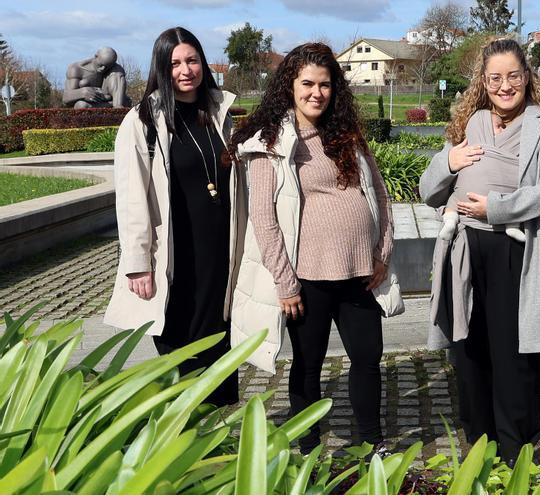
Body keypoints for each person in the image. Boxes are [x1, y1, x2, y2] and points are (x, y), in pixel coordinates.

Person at [227, 42, 400, 454]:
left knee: (367, 359)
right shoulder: (272, 142)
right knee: (308, 366)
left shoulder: (346, 134)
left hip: (360, 273)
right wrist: (286, 283)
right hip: (309, 279)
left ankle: (372, 444)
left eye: (325, 85)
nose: (316, 93)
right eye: (308, 84)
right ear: (290, 85)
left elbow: (378, 192)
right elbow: (264, 218)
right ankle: (307, 449)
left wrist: (382, 252)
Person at [419, 37, 540, 464]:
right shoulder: (470, 124)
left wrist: (497, 208)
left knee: (515, 354)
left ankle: (516, 449)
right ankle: (481, 441)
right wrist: (449, 163)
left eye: (513, 76)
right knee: (469, 349)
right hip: (465, 250)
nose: (504, 85)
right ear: (484, 81)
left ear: (527, 77)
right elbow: (427, 190)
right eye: (495, 78)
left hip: (517, 252)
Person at [104, 27, 245, 406]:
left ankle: (220, 433)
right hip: (174, 257)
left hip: (220, 255)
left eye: (192, 60)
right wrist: (137, 263)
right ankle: (185, 429)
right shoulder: (143, 121)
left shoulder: (219, 113)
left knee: (220, 342)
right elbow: (131, 197)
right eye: (175, 63)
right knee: (180, 345)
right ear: (162, 69)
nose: (186, 70)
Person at [63, 47, 131, 108]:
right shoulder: (76, 69)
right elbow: (66, 98)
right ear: (96, 56)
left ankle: (117, 107)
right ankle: (110, 105)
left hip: (108, 98)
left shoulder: (116, 69)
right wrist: (82, 93)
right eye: (101, 65)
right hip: (90, 103)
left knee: (118, 74)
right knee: (81, 105)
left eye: (107, 66)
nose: (102, 69)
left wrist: (118, 103)